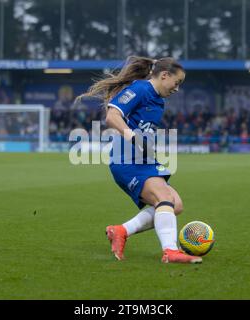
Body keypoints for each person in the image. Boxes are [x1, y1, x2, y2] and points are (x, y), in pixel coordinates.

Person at [80, 56, 202, 264]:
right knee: (164, 197)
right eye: (177, 82)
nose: (177, 88)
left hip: (144, 160)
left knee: (176, 205)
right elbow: (112, 116)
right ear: (164, 75)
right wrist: (132, 137)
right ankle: (171, 251)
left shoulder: (158, 100)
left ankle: (121, 231)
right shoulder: (140, 89)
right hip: (126, 160)